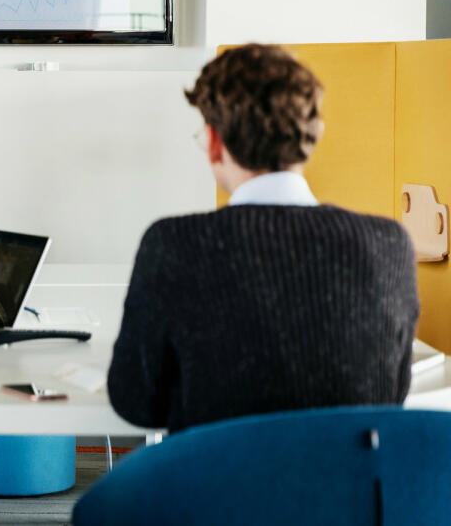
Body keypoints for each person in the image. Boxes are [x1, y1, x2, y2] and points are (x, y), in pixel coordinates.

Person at [107, 44, 419, 433]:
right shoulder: (389, 244)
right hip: (345, 492)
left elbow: (135, 401)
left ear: (216, 142)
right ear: (311, 135)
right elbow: (391, 395)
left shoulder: (173, 245)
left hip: (213, 490)